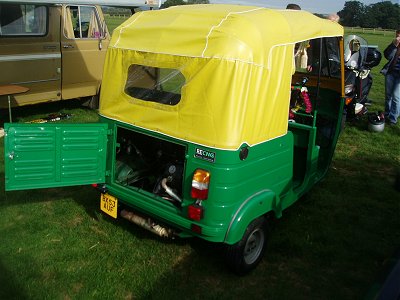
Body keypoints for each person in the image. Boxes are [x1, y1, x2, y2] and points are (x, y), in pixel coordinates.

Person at [381, 29, 400, 125]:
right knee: (388, 95)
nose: (398, 37)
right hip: (391, 73)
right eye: (397, 35)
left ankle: (393, 118)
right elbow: (387, 56)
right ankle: (387, 113)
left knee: (396, 96)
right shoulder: (394, 45)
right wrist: (394, 46)